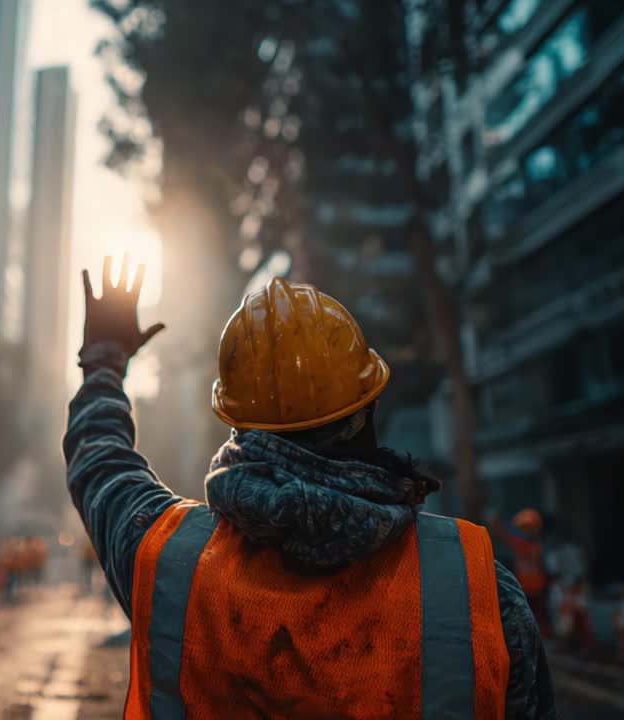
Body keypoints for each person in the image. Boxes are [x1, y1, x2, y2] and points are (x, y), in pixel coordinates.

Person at [65, 262, 554, 718]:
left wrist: (104, 360)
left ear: (238, 427)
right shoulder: (479, 592)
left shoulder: (169, 564)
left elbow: (101, 463)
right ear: (366, 409)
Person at [487, 509, 549, 632]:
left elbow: (506, 535)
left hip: (534, 586)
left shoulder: (532, 545)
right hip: (526, 586)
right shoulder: (527, 543)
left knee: (536, 616)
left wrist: (498, 526)